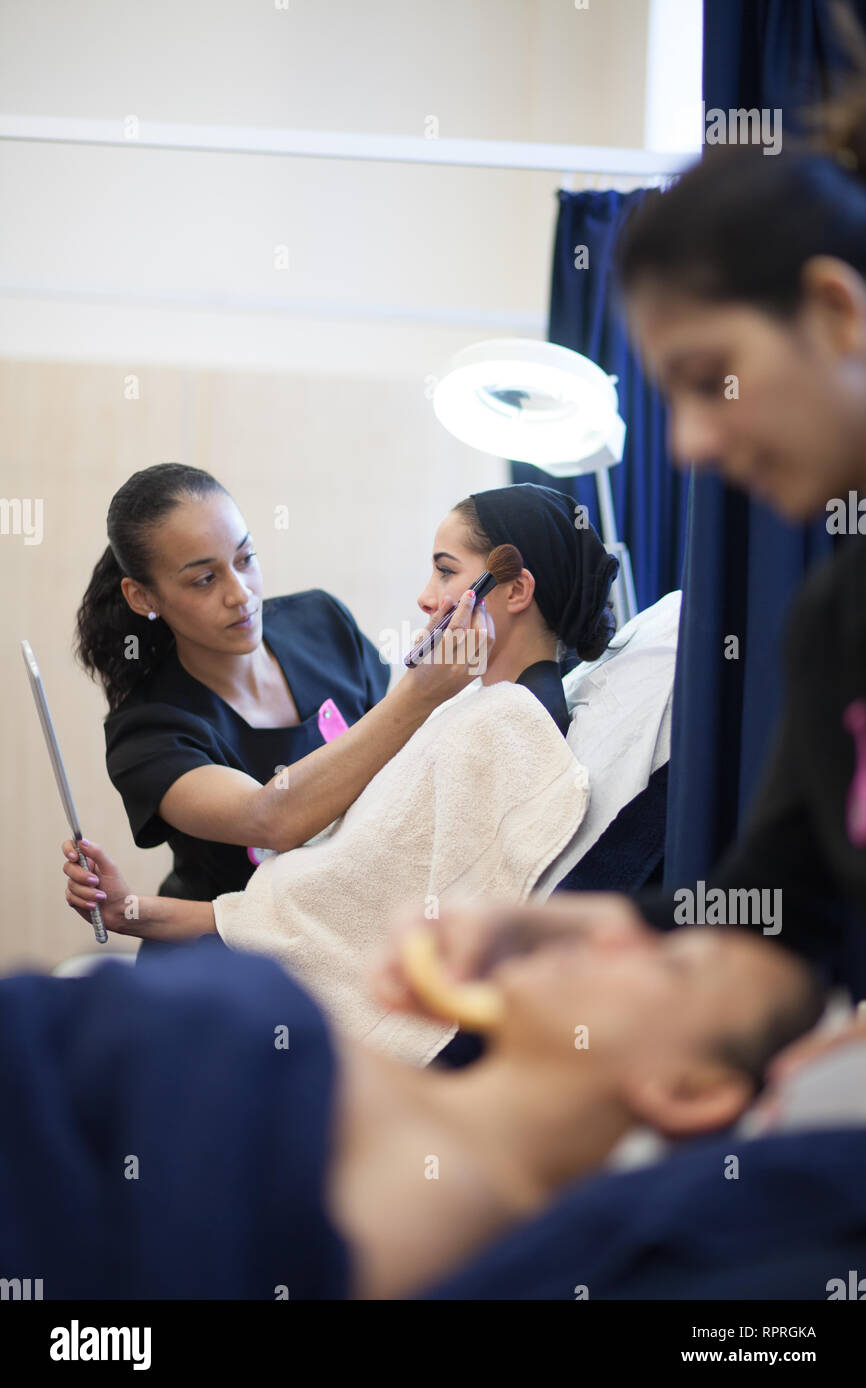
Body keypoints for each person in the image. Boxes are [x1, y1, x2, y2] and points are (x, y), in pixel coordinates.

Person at [373, 86, 866, 1072]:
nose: (686, 441)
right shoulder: (834, 620)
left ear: (832, 311)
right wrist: (547, 940)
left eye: (708, 375)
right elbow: (770, 918)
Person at [1, 912, 823, 1300]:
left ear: (690, 1090)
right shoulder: (404, 1088)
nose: (610, 933)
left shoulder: (473, 1194)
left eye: (672, 962)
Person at [63, 482, 618, 951]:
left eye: (246, 558)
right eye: (204, 580)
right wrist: (134, 913)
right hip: (221, 962)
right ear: (142, 597)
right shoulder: (148, 731)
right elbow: (271, 821)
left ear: (516, 590)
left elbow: (391, 803)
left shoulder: (320, 622)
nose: (242, 595)